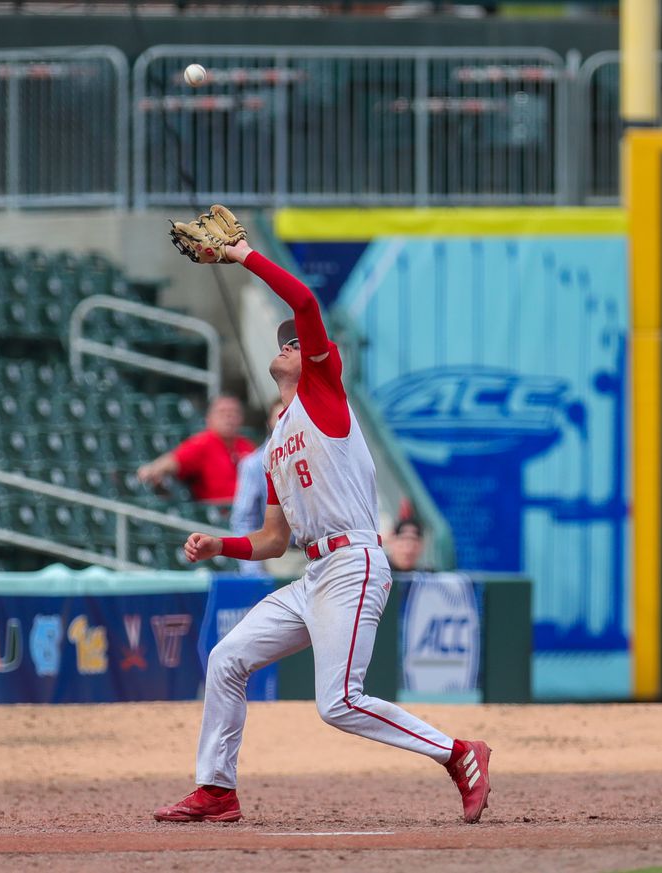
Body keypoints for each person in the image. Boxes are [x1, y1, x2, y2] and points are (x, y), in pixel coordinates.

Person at [153, 239, 491, 825]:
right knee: (227, 658)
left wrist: (242, 255)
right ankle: (216, 790)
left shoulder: (323, 395)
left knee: (337, 703)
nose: (291, 345)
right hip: (314, 572)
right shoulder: (277, 440)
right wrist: (219, 545)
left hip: (355, 560)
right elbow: (273, 540)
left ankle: (458, 754)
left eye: (296, 342)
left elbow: (306, 303)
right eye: (286, 342)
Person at [137, 395, 254, 504]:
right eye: (222, 413)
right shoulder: (203, 443)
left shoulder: (246, 445)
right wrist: (153, 469)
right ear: (209, 419)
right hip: (218, 515)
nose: (229, 417)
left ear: (241, 419)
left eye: (234, 413)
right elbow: (174, 460)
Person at [228, 399, 287, 577]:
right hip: (279, 558)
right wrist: (253, 570)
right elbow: (243, 519)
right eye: (279, 416)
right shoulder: (254, 463)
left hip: (316, 554)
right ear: (269, 421)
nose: (283, 421)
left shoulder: (314, 456)